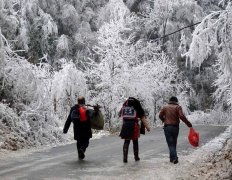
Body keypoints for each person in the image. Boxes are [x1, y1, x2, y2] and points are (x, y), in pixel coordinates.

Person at [159, 96, 192, 164]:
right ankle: (173, 158)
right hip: (175, 127)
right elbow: (181, 116)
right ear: (176, 101)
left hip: (167, 127)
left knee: (170, 144)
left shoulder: (165, 107)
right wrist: (188, 123)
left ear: (170, 101)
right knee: (174, 143)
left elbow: (160, 115)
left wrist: (164, 120)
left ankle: (173, 158)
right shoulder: (178, 107)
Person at [119, 97, 150, 163]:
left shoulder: (124, 107)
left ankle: (125, 158)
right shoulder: (136, 108)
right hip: (134, 125)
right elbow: (142, 118)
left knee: (126, 141)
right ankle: (136, 157)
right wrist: (147, 127)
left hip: (125, 125)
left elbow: (120, 115)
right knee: (135, 141)